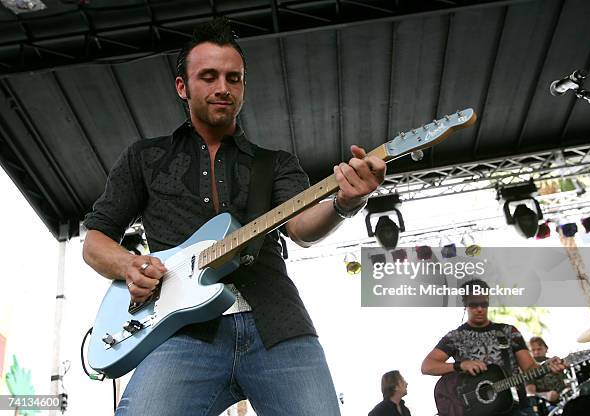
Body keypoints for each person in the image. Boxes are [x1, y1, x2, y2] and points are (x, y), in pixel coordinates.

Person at [82, 17, 386, 416]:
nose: (223, 87)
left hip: (278, 326)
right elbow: (94, 241)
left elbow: (303, 229)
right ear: (182, 88)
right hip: (181, 333)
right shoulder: (145, 158)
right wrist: (131, 266)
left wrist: (346, 203)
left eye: (234, 78)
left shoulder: (275, 163)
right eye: (208, 76)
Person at [420, 279, 565, 416]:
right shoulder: (455, 337)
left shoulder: (509, 332)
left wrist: (547, 367)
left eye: (484, 303)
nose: (479, 309)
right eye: (474, 304)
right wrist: (461, 365)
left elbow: (529, 367)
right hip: (477, 411)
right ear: (464, 304)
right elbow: (427, 366)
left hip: (516, 408)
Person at [526, 337, 565, 404]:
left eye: (539, 349)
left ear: (546, 349)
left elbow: (566, 381)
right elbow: (531, 393)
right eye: (533, 350)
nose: (536, 352)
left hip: (564, 398)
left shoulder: (555, 362)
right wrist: (546, 395)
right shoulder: (529, 369)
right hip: (546, 405)